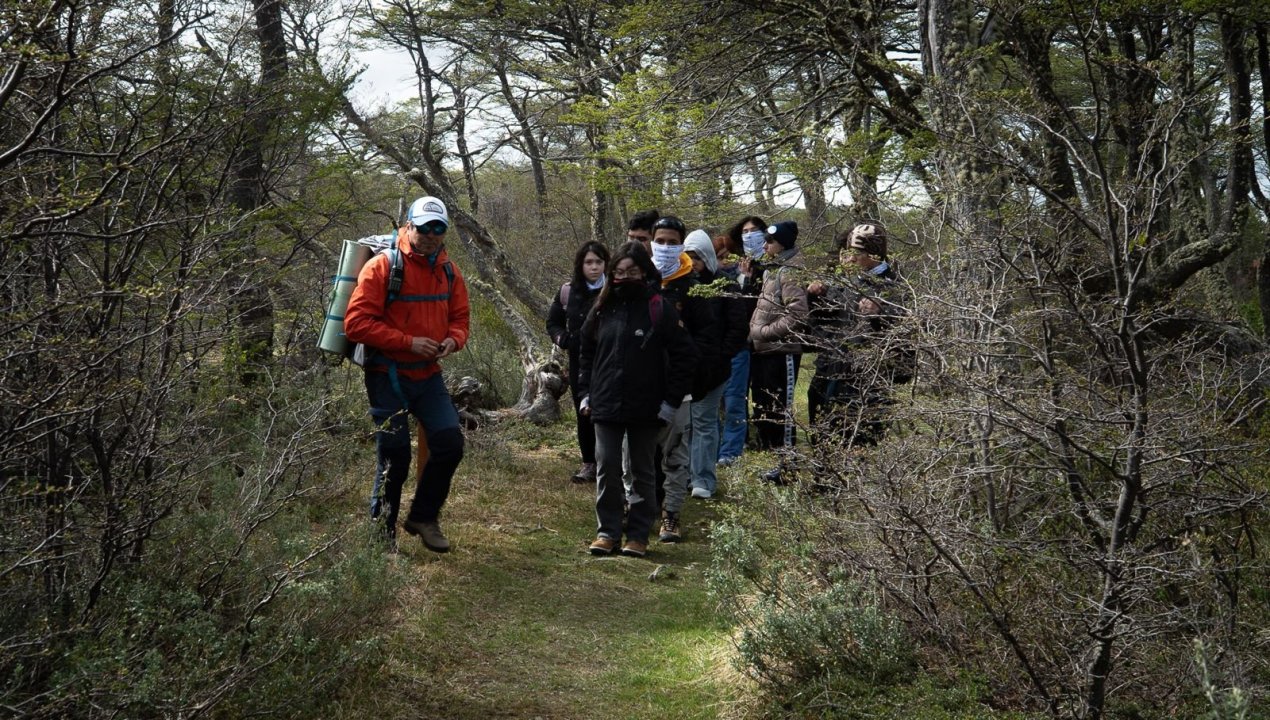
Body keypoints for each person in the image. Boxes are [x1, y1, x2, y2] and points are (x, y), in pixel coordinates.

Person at [344, 195, 470, 553]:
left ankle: (423, 517)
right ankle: (382, 541)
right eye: (424, 227)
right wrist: (408, 342)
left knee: (449, 444)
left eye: (438, 229)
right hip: (387, 374)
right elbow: (355, 324)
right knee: (395, 457)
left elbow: (461, 319)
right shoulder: (383, 267)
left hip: (428, 375)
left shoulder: (449, 270)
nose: (430, 235)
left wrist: (452, 340)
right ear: (409, 225)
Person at [578, 242, 698, 558]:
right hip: (605, 403)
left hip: (647, 406)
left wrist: (670, 402)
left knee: (644, 471)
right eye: (618, 272)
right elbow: (586, 350)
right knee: (607, 467)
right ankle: (607, 533)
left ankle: (638, 536)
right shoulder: (602, 306)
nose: (624, 277)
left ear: (644, 271)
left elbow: (685, 356)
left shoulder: (660, 307)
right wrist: (585, 393)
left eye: (631, 271)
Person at [649, 217, 721, 543]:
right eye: (659, 241)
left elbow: (708, 340)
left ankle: (672, 515)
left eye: (671, 242)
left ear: (682, 245)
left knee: (675, 455)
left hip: (680, 388)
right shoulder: (641, 281)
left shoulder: (693, 288)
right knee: (638, 455)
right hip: (642, 385)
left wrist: (687, 364)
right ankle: (640, 510)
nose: (665, 248)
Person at [806, 223, 909, 445]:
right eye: (847, 252)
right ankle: (823, 479)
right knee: (822, 436)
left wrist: (881, 314)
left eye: (856, 253)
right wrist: (814, 298)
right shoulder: (843, 282)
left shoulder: (896, 287)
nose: (850, 258)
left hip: (867, 381)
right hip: (830, 372)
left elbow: (907, 337)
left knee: (859, 442)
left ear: (875, 254)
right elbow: (817, 328)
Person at [684, 229, 748, 499]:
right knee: (684, 424)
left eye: (697, 257)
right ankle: (684, 474)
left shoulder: (726, 285)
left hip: (714, 367)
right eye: (688, 257)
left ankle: (703, 479)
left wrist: (722, 356)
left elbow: (736, 328)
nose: (693, 262)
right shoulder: (681, 285)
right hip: (684, 367)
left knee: (705, 422)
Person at [546, 241, 610, 483]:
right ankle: (589, 463)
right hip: (579, 362)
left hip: (609, 359)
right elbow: (553, 322)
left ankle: (611, 462)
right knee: (583, 410)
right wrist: (564, 339)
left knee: (609, 409)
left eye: (599, 262)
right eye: (589, 262)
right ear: (580, 265)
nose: (594, 267)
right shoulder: (568, 291)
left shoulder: (614, 289)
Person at [748, 220, 808, 461]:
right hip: (765, 352)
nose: (765, 245)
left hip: (783, 352)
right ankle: (773, 460)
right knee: (765, 409)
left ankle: (787, 465)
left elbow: (798, 314)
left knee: (780, 411)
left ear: (782, 244)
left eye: (770, 241)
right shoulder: (774, 268)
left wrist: (764, 333)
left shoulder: (791, 270)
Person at [716, 216, 767, 465]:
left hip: (741, 348)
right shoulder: (706, 283)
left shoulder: (745, 275)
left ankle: (731, 451)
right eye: (719, 257)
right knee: (716, 404)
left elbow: (747, 312)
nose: (725, 262)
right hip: (715, 351)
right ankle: (716, 449)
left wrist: (745, 281)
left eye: (728, 256)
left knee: (736, 400)